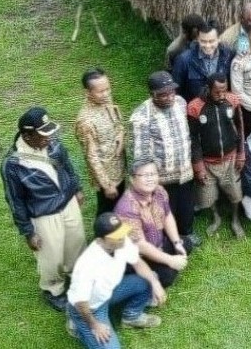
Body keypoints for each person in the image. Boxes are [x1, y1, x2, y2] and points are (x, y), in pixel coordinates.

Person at [1, 107, 85, 312]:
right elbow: (15, 200)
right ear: (27, 135)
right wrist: (28, 232)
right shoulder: (13, 165)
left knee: (77, 243)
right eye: (43, 134)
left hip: (68, 203)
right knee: (51, 255)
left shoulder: (53, 143)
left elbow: (68, 166)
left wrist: (77, 188)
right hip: (44, 215)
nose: (50, 138)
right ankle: (53, 289)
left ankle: (78, 277)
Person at [66, 212, 166, 348]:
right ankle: (77, 324)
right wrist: (95, 325)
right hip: (88, 308)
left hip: (108, 292)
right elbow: (80, 302)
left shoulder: (122, 242)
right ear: (100, 241)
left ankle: (131, 316)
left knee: (150, 278)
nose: (122, 238)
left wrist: (155, 284)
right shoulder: (87, 265)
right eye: (116, 236)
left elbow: (138, 263)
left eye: (121, 232)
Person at [129, 71, 199, 250]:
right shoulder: (141, 116)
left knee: (186, 204)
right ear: (152, 94)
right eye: (163, 94)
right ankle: (169, 240)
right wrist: (151, 182)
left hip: (185, 169)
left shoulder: (181, 103)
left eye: (171, 92)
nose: (169, 97)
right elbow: (141, 155)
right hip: (162, 178)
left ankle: (187, 232)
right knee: (167, 209)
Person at [186, 72, 246, 239]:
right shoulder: (195, 107)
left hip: (230, 159)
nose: (221, 95)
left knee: (235, 193)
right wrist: (198, 166)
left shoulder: (232, 101)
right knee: (208, 196)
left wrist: (241, 154)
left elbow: (240, 127)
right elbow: (193, 138)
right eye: (217, 91)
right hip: (207, 162)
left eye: (224, 90)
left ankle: (235, 220)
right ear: (208, 88)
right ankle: (216, 217)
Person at [114, 159, 189, 287]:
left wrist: (176, 243)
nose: (150, 179)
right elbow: (140, 245)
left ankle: (166, 259)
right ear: (132, 179)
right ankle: (143, 276)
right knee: (167, 275)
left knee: (185, 243)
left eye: (153, 174)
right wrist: (170, 260)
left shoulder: (159, 191)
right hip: (139, 256)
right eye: (144, 175)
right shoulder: (126, 208)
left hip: (158, 243)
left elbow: (167, 215)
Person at [75, 68, 126, 215]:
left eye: (108, 89)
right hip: (107, 176)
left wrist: (121, 135)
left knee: (120, 207)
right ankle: (102, 236)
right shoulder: (85, 121)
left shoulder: (106, 101)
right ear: (88, 92)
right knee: (107, 212)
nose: (106, 94)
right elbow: (91, 157)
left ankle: (120, 235)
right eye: (101, 91)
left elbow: (118, 123)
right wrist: (106, 185)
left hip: (119, 167)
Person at [172, 20, 234, 103]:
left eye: (211, 41)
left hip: (221, 107)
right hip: (195, 109)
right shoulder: (183, 60)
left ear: (219, 39)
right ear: (197, 39)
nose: (207, 46)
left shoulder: (228, 55)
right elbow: (176, 91)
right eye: (203, 41)